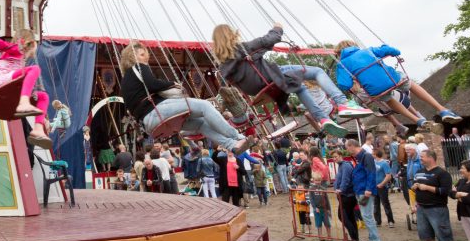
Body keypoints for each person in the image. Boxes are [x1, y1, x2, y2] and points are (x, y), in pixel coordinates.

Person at [211, 24, 371, 136]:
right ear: (231, 35)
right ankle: (342, 102)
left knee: (298, 87)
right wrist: (277, 27)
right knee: (317, 71)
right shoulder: (245, 47)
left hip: (254, 91)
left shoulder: (223, 67)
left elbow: (226, 87)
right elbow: (272, 38)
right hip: (270, 77)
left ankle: (322, 118)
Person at [120, 41, 253, 155]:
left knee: (201, 123)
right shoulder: (139, 67)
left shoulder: (125, 81)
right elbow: (153, 84)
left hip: (149, 124)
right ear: (132, 56)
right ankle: (237, 136)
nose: (145, 59)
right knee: (204, 106)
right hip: (157, 113)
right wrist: (172, 84)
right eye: (142, 55)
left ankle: (232, 145)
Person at [334, 40, 462, 129]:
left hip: (375, 90)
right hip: (392, 79)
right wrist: (386, 48)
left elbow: (344, 85)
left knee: (387, 98)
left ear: (340, 53)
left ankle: (418, 120)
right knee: (409, 83)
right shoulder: (368, 51)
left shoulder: (342, 64)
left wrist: (353, 78)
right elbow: (395, 51)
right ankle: (442, 109)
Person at [0, 30, 50, 148]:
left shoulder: (21, 59)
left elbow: (27, 85)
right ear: (29, 44)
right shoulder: (15, 49)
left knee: (43, 96)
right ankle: (24, 102)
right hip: (0, 79)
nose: (32, 53)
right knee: (35, 69)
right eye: (33, 47)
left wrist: (44, 118)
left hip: (8, 81)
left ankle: (38, 129)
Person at [410, 149, 459, 241]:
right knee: (426, 235)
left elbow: (445, 191)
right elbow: (416, 188)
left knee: (445, 236)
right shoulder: (419, 172)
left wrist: (427, 187)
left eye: (422, 157)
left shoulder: (442, 174)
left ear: (430, 158)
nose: (420, 159)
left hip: (437, 209)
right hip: (421, 208)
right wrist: (415, 196)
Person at [346, 139, 382, 241]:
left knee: (367, 217)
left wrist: (369, 189)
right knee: (366, 217)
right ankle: (372, 240)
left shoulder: (366, 156)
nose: (346, 150)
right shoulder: (360, 157)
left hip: (365, 191)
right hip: (360, 190)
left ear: (352, 146)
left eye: (347, 147)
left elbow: (371, 173)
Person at [332, 149, 360, 241]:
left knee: (342, 216)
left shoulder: (346, 166)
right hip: (345, 195)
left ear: (340, 155)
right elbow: (339, 179)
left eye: (336, 156)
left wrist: (341, 189)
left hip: (348, 195)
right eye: (333, 157)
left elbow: (346, 179)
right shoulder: (341, 166)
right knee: (350, 216)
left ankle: (354, 237)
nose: (334, 159)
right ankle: (355, 238)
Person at [372, 148, 395, 228]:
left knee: (385, 204)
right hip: (374, 187)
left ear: (376, 154)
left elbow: (388, 176)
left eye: (373, 153)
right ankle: (378, 221)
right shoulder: (373, 162)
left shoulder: (384, 163)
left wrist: (382, 184)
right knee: (375, 205)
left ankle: (390, 221)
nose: (372, 155)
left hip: (382, 187)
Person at [309, 170, 333, 241]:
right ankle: (320, 236)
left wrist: (329, 209)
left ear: (321, 180)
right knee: (318, 223)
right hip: (317, 209)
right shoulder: (311, 189)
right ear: (313, 180)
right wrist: (315, 208)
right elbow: (311, 200)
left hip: (324, 209)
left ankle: (329, 236)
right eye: (316, 180)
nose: (317, 182)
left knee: (327, 223)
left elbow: (327, 199)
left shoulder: (323, 189)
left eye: (319, 180)